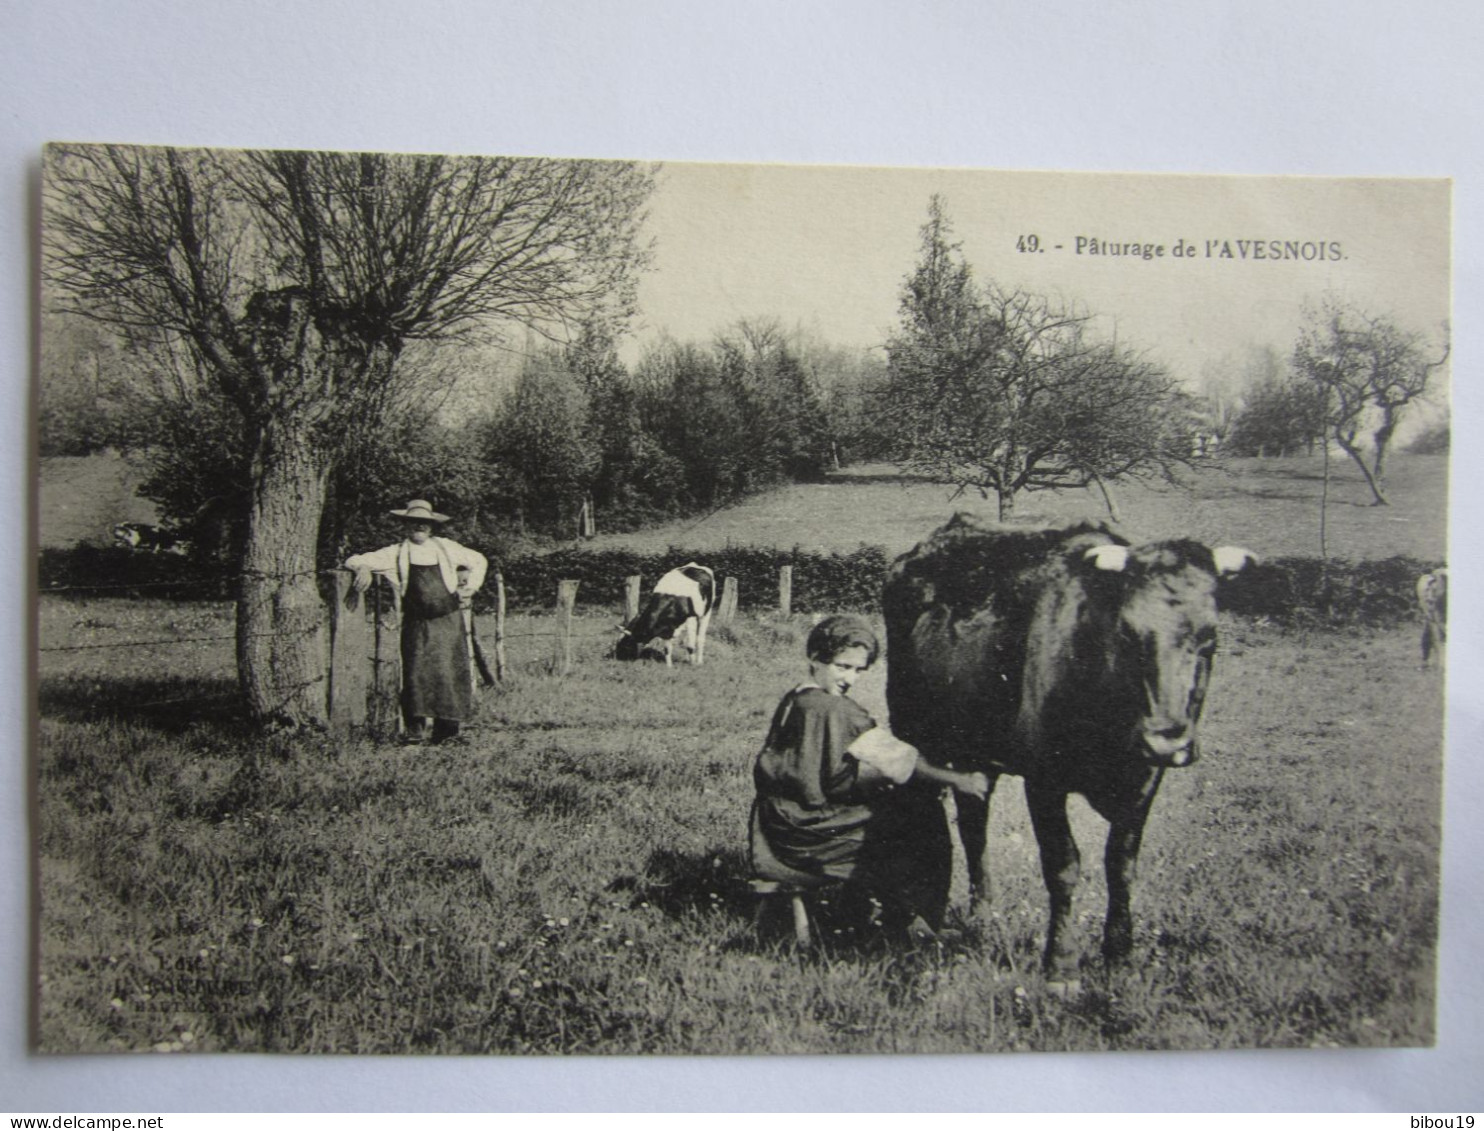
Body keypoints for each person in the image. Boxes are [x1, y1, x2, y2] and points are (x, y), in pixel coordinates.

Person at [749, 614, 988, 933]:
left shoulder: (795, 700)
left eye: (859, 670)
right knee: (921, 820)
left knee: (886, 808)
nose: (851, 679)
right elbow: (900, 760)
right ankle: (915, 920)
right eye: (842, 666)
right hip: (808, 833)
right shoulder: (838, 709)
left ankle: (860, 910)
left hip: (774, 825)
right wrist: (959, 779)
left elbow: (818, 770)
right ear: (816, 659)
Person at [345, 500, 487, 745]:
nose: (419, 527)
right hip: (416, 623)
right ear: (405, 525)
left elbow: (479, 560)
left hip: (448, 621)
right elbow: (353, 559)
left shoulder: (446, 548)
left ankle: (447, 733)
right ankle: (414, 732)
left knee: (449, 673)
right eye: (413, 522)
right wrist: (365, 568)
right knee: (415, 674)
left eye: (424, 523)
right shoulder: (396, 553)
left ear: (431, 527)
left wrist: (471, 588)